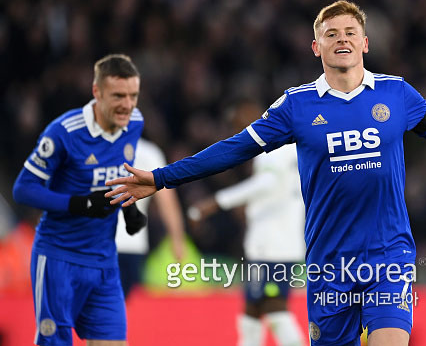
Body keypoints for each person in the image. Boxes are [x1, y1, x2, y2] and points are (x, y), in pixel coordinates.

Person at [105, 1, 426, 346]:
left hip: (389, 255)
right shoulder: (295, 106)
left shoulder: (397, 94)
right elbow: (232, 150)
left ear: (365, 43)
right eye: (331, 33)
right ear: (316, 46)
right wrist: (161, 178)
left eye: (350, 31)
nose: (342, 38)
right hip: (329, 263)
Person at [13, 54, 146, 346]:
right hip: (60, 258)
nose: (128, 105)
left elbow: (117, 173)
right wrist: (80, 204)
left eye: (133, 95)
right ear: (96, 92)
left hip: (104, 262)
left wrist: (129, 206)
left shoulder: (134, 122)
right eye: (118, 96)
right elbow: (23, 189)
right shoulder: (64, 132)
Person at [187, 100, 305, 346]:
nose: (237, 134)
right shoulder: (292, 148)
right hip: (283, 241)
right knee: (252, 309)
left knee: (275, 309)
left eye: (238, 126)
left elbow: (266, 185)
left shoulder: (271, 151)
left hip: (271, 246)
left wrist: (215, 203)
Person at [115, 137, 186, 298]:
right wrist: (177, 239)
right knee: (119, 306)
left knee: (95, 306)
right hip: (133, 243)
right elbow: (167, 201)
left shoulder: (91, 147)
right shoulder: (148, 152)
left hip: (97, 243)